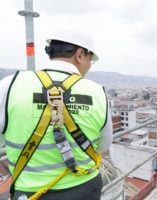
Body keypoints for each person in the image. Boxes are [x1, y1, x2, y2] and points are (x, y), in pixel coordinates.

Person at [0, 29, 113, 200]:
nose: (90, 65)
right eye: (91, 59)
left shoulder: (9, 86)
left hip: (29, 192)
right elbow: (104, 145)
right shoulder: (97, 92)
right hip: (85, 188)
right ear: (80, 55)